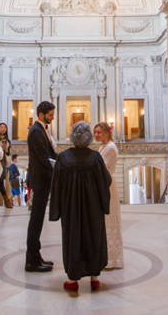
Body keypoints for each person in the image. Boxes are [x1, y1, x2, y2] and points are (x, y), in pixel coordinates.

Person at [50, 121, 112, 292]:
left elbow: (57, 186)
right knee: (93, 237)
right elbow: (105, 181)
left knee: (73, 238)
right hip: (93, 207)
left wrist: (57, 209)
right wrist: (103, 204)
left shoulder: (63, 157)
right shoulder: (95, 158)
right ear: (89, 138)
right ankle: (94, 277)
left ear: (72, 137)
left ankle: (72, 280)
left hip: (71, 208)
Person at [25, 101, 57, 272]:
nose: (53, 118)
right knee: (36, 221)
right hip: (40, 180)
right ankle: (31, 260)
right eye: (51, 115)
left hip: (43, 180)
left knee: (37, 220)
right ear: (41, 114)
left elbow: (51, 154)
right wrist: (60, 165)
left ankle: (36, 257)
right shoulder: (36, 131)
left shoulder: (41, 129)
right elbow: (45, 158)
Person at [94, 122, 123, 269]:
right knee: (103, 222)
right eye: (95, 132)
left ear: (106, 132)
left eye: (99, 132)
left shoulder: (110, 147)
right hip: (103, 183)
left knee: (109, 220)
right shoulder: (103, 146)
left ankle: (111, 258)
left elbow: (101, 168)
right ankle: (104, 256)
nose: (96, 135)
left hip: (107, 184)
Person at [0, 122, 14, 209]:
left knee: (0, 181)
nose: (3, 129)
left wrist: (5, 149)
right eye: (1, 127)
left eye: (4, 127)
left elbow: (8, 153)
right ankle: (6, 200)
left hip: (4, 162)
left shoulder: (8, 141)